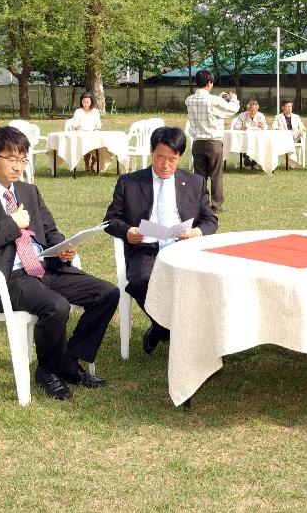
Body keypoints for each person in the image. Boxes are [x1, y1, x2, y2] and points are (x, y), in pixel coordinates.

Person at [0, 126, 118, 400]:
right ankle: (48, 371)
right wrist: (11, 224)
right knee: (56, 306)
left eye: (23, 159)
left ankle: (67, 361)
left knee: (106, 293)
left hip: (44, 267)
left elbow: (50, 230)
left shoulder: (29, 191)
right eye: (11, 159)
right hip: (7, 277)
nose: (18, 166)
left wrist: (64, 246)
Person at [103, 127, 218, 354]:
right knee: (138, 280)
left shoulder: (194, 182)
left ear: (180, 157)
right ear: (151, 152)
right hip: (146, 248)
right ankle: (166, 328)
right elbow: (111, 220)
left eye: (172, 160)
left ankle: (167, 328)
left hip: (183, 247)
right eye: (160, 158)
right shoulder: (130, 182)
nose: (165, 165)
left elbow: (210, 220)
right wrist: (128, 231)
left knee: (207, 280)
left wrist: (196, 233)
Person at [184, 70, 239, 213]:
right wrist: (233, 99)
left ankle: (199, 204)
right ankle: (216, 205)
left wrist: (219, 99)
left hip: (197, 142)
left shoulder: (189, 100)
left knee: (199, 175)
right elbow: (232, 110)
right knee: (216, 174)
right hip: (213, 142)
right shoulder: (214, 100)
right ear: (209, 83)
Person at [71, 92, 102, 172]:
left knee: (98, 144)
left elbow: (98, 124)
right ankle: (87, 164)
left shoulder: (95, 111)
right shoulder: (78, 111)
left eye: (87, 102)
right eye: (84, 102)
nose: (85, 104)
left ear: (91, 102)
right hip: (82, 134)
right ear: (81, 102)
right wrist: (76, 126)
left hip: (93, 133)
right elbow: (75, 123)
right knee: (86, 144)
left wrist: (97, 127)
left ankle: (94, 164)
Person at [231, 100, 267, 169]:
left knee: (259, 144)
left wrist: (262, 126)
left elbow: (265, 126)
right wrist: (241, 127)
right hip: (244, 138)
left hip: (257, 138)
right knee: (246, 144)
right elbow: (236, 126)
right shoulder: (242, 115)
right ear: (248, 109)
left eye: (254, 110)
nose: (253, 112)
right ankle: (247, 163)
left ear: (257, 109)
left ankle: (254, 163)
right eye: (251, 110)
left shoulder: (260, 115)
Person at [272, 99, 307, 168]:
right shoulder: (278, 117)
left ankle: (291, 162)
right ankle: (292, 162)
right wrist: (281, 132)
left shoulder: (296, 117)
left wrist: (301, 130)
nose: (289, 108)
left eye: (290, 106)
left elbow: (302, 127)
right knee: (288, 135)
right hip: (283, 138)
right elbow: (274, 128)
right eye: (287, 106)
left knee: (295, 131)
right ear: (283, 108)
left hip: (295, 138)